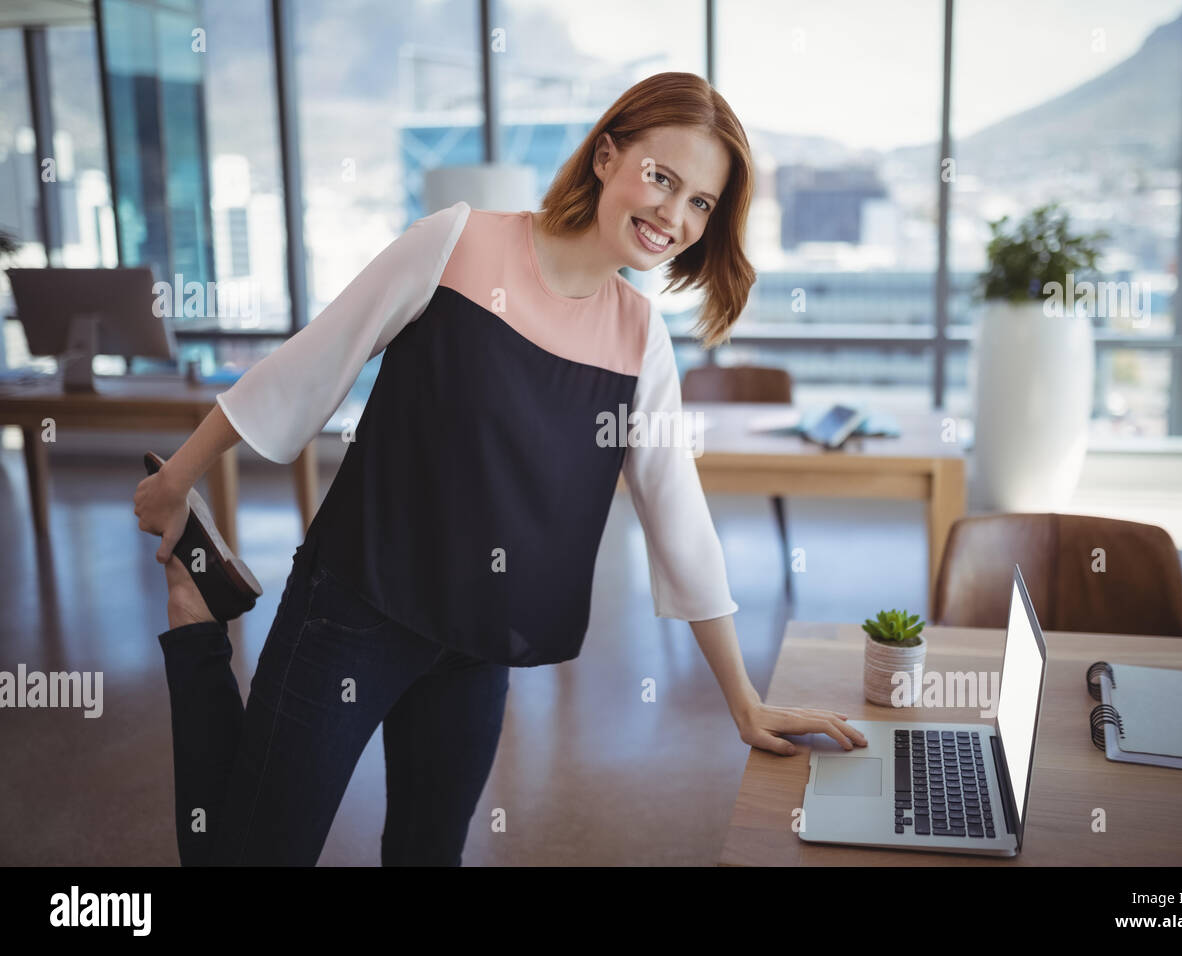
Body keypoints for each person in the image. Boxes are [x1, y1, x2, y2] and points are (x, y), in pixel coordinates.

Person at [133, 71, 867, 867]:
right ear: (606, 155)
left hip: (477, 643)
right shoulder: (457, 242)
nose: (672, 215)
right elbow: (312, 363)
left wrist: (743, 700)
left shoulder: (639, 338)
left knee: (428, 855)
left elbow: (676, 514)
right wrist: (179, 479)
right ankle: (198, 632)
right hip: (353, 610)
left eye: (700, 203)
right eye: (662, 178)